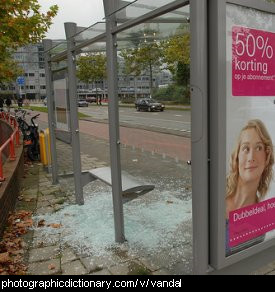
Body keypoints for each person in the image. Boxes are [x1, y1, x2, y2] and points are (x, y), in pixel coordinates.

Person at [226, 119, 274, 255]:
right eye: (246, 148)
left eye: (259, 148)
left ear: (267, 156)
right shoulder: (216, 191)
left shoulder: (258, 222)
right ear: (237, 156)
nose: (251, 157)